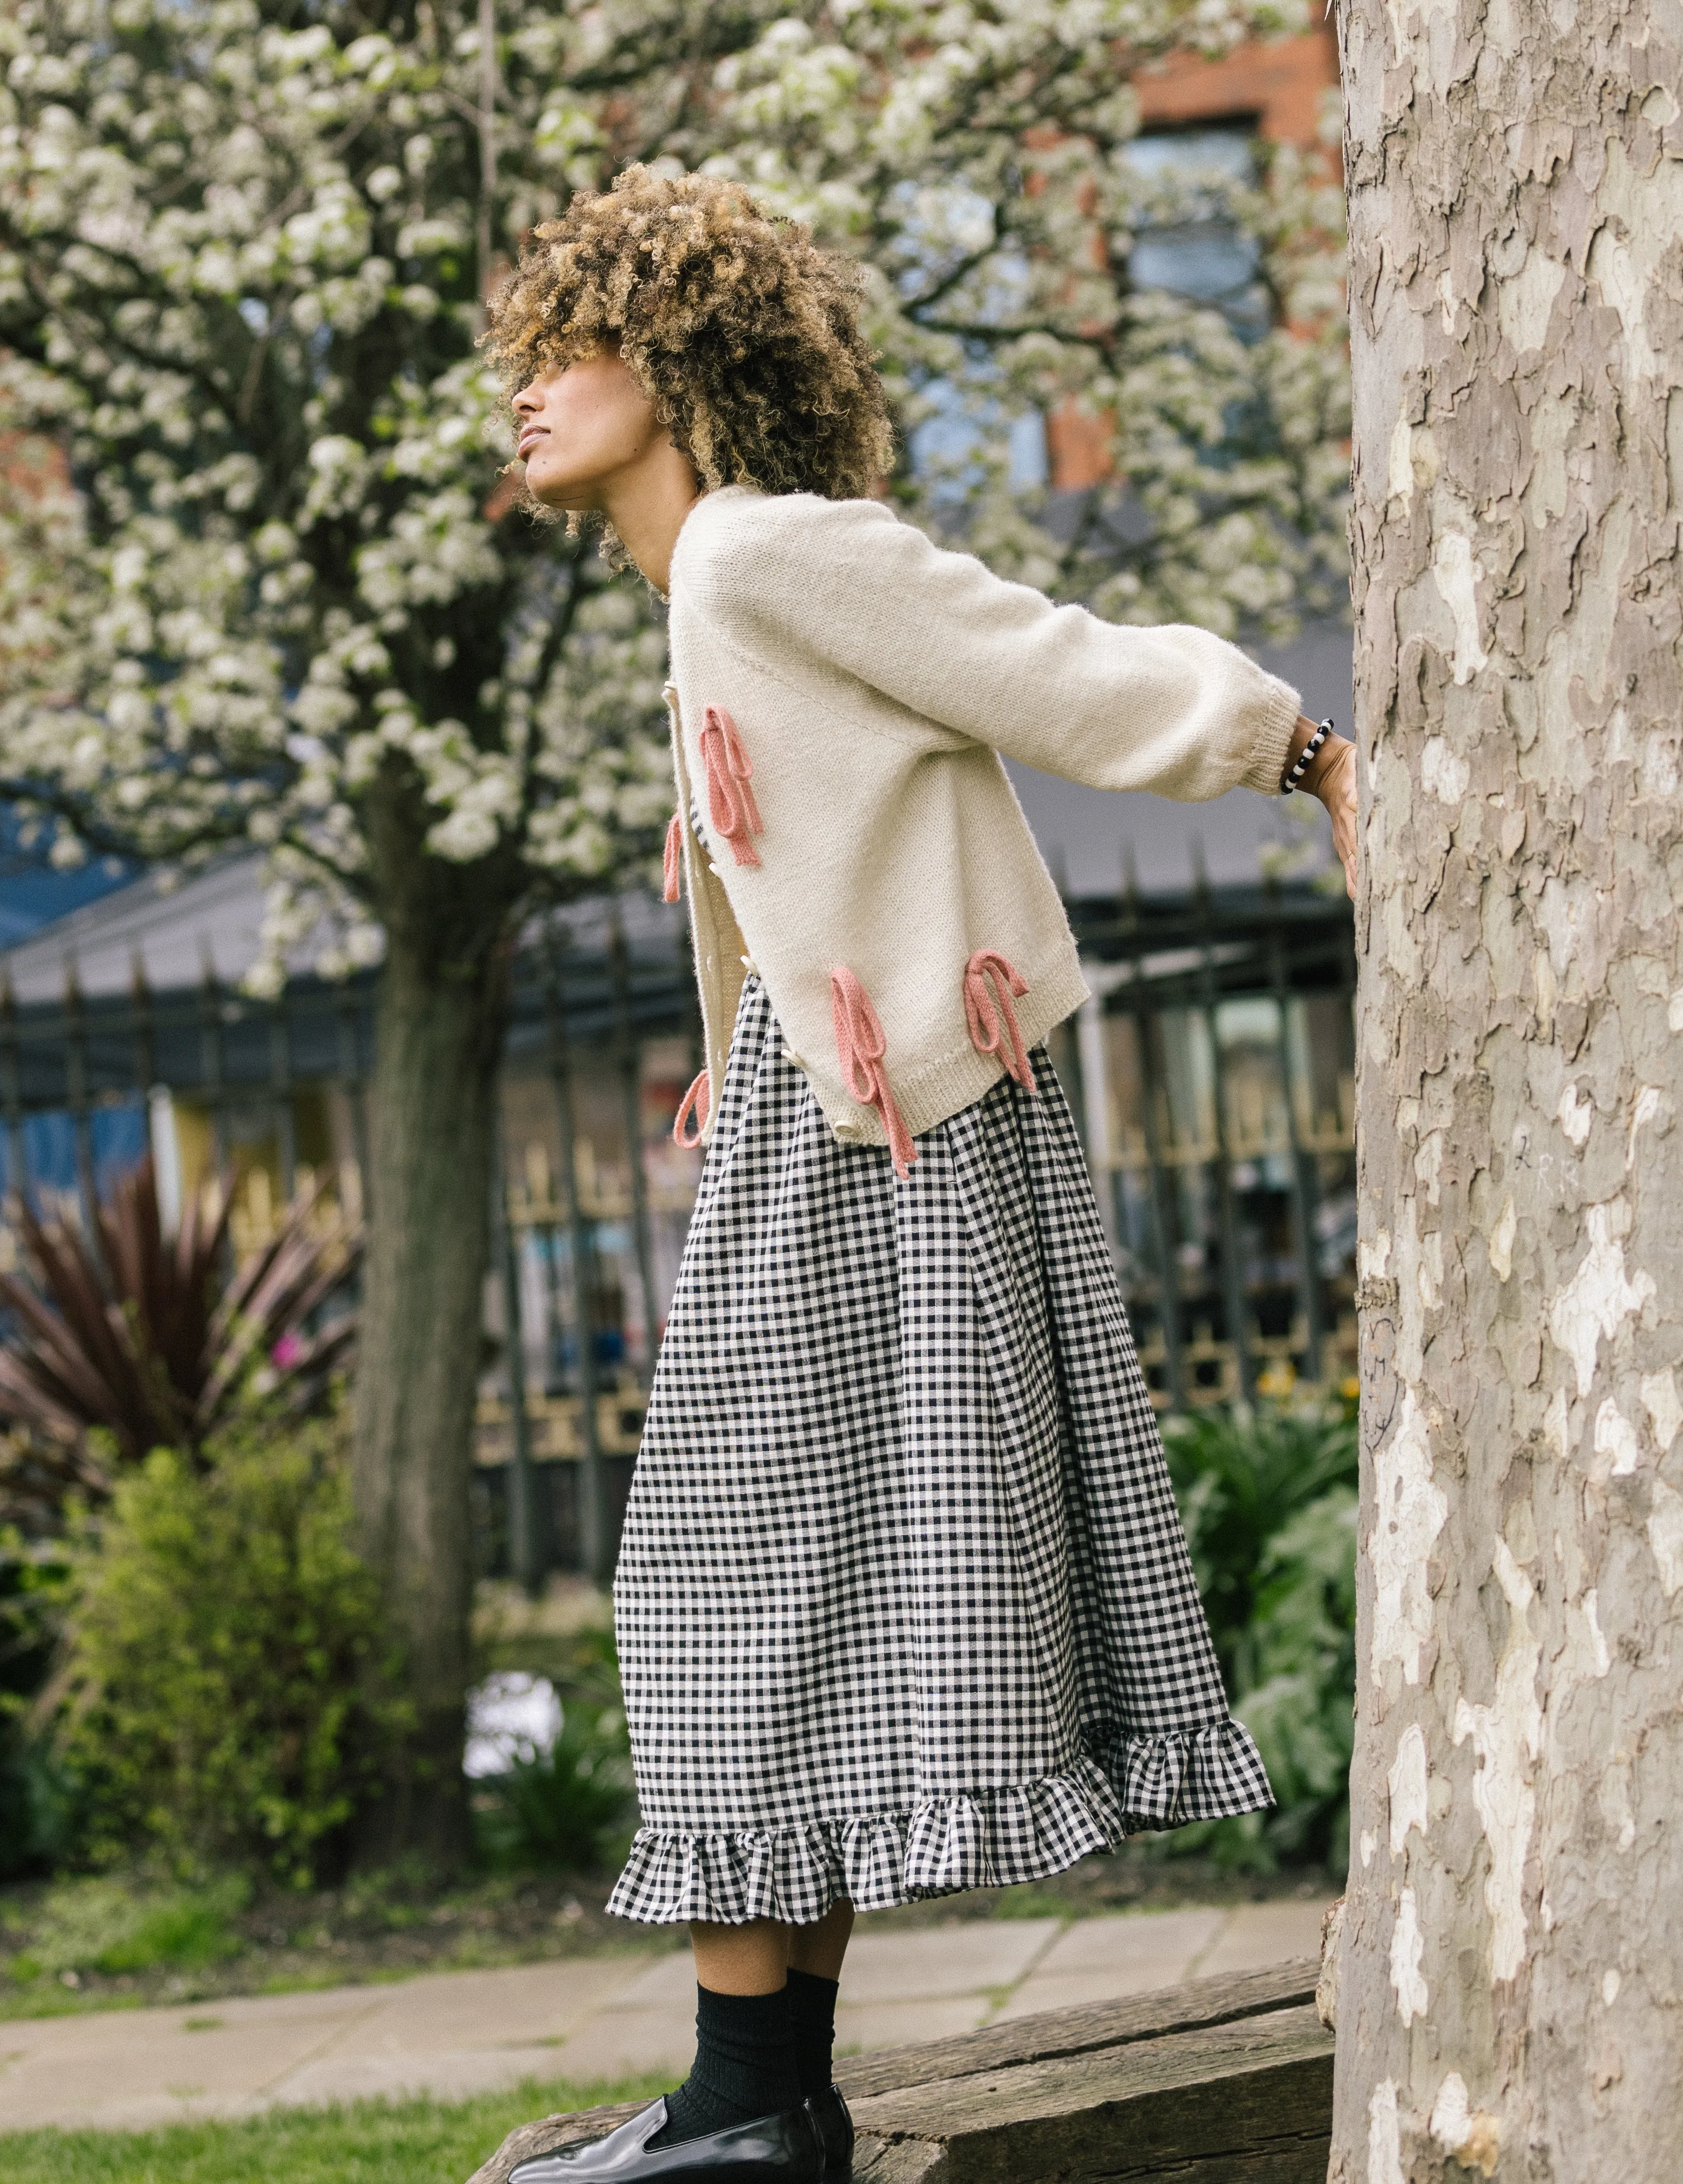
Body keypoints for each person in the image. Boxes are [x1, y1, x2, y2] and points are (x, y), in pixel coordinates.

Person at [484, 167, 1358, 2183]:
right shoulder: (712, 579)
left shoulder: (760, 548)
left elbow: (1033, 663)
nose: (524, 395)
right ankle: (759, 2098)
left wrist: (1302, 753)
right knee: (800, 1582)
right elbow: (778, 848)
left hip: (888, 1127)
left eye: (568, 350)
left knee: (718, 1576)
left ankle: (744, 2103)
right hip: (840, 1108)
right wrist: (736, 1057)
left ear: (676, 358)